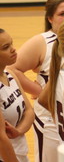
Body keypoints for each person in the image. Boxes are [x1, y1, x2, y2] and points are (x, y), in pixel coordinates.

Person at [9, 0, 64, 162]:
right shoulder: (42, 42)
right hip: (49, 118)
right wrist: (39, 91)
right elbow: (13, 69)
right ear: (50, 18)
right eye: (62, 14)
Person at [0, 28, 34, 162]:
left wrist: (18, 131)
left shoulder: (10, 74)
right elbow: (1, 139)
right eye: (5, 47)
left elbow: (29, 111)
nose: (13, 49)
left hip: (20, 153)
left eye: (12, 44)